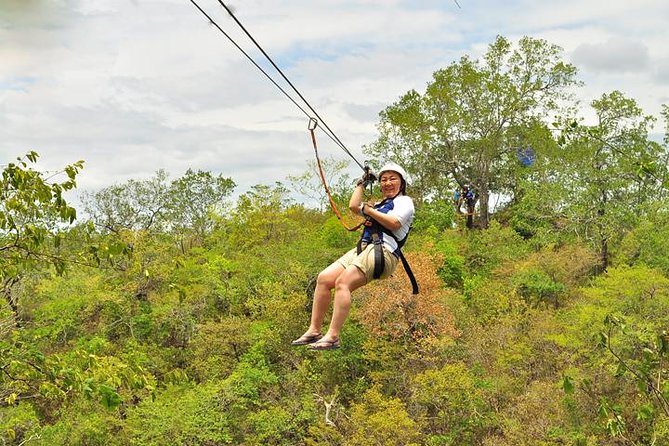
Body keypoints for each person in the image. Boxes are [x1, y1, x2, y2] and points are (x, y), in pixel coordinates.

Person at [291, 163, 415, 350]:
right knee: (324, 279)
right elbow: (353, 206)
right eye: (383, 179)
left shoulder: (404, 202)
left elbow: (394, 223)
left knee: (343, 282)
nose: (387, 183)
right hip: (366, 248)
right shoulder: (380, 205)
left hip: (384, 252)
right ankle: (314, 330)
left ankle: (333, 336)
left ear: (402, 183)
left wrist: (369, 210)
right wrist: (362, 183)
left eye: (392, 178)